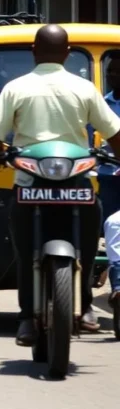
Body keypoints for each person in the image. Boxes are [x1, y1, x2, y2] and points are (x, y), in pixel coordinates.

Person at [0, 24, 120, 345]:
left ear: (33, 52)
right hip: (77, 182)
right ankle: (85, 307)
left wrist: (2, 157)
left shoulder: (16, 87)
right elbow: (114, 133)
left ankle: (27, 319)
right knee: (87, 242)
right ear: (68, 54)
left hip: (29, 182)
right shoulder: (84, 88)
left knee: (25, 247)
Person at [98, 59, 120, 302]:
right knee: (112, 229)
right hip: (109, 175)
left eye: (118, 71)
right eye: (111, 71)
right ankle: (117, 287)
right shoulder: (103, 104)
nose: (114, 75)